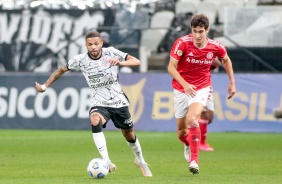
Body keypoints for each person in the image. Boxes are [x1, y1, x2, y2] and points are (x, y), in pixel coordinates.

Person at [35, 31, 153, 177]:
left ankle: (140, 161)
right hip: (99, 102)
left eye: (96, 44)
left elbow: (136, 61)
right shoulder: (81, 60)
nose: (93, 47)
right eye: (90, 44)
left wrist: (120, 62)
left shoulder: (111, 52)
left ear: (101, 43)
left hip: (119, 102)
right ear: (86, 45)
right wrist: (44, 87)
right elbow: (61, 70)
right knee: (94, 119)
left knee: (129, 134)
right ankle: (107, 161)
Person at [167, 13, 236, 175]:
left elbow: (226, 60)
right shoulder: (182, 43)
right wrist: (185, 85)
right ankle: (187, 144)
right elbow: (171, 67)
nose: (197, 35)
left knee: (193, 119)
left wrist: (232, 82)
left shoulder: (215, 46)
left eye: (200, 32)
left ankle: (194, 161)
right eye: (194, 31)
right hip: (180, 88)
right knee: (182, 132)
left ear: (207, 30)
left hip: (201, 88)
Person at [199, 58, 222, 152]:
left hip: (207, 88)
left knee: (210, 118)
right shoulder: (191, 55)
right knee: (204, 113)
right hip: (197, 88)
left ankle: (189, 133)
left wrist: (208, 58)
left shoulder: (207, 51)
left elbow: (217, 63)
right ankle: (201, 143)